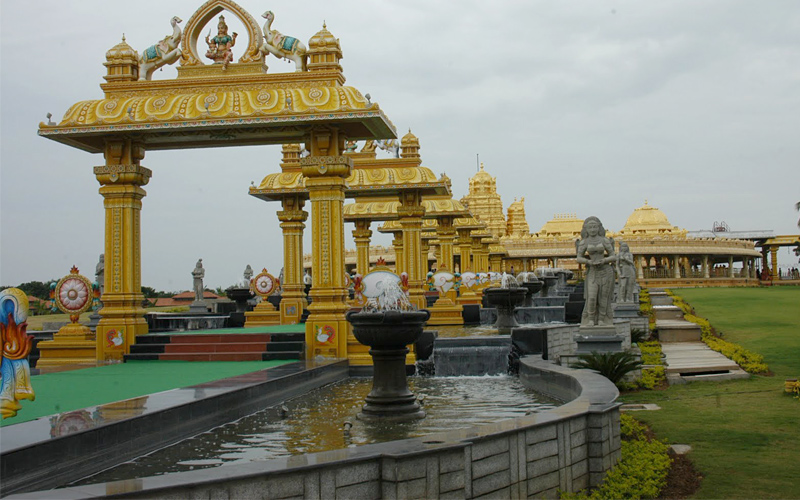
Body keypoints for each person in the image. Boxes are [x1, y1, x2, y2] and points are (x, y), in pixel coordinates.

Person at [575, 216, 616, 326]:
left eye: (594, 227)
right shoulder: (584, 242)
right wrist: (588, 262)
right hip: (592, 271)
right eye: (590, 227)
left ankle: (602, 319)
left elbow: (613, 256)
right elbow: (578, 258)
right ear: (586, 229)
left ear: (599, 228)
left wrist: (605, 260)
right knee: (592, 297)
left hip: (605, 271)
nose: (592, 229)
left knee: (604, 298)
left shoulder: (604, 240)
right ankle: (591, 319)